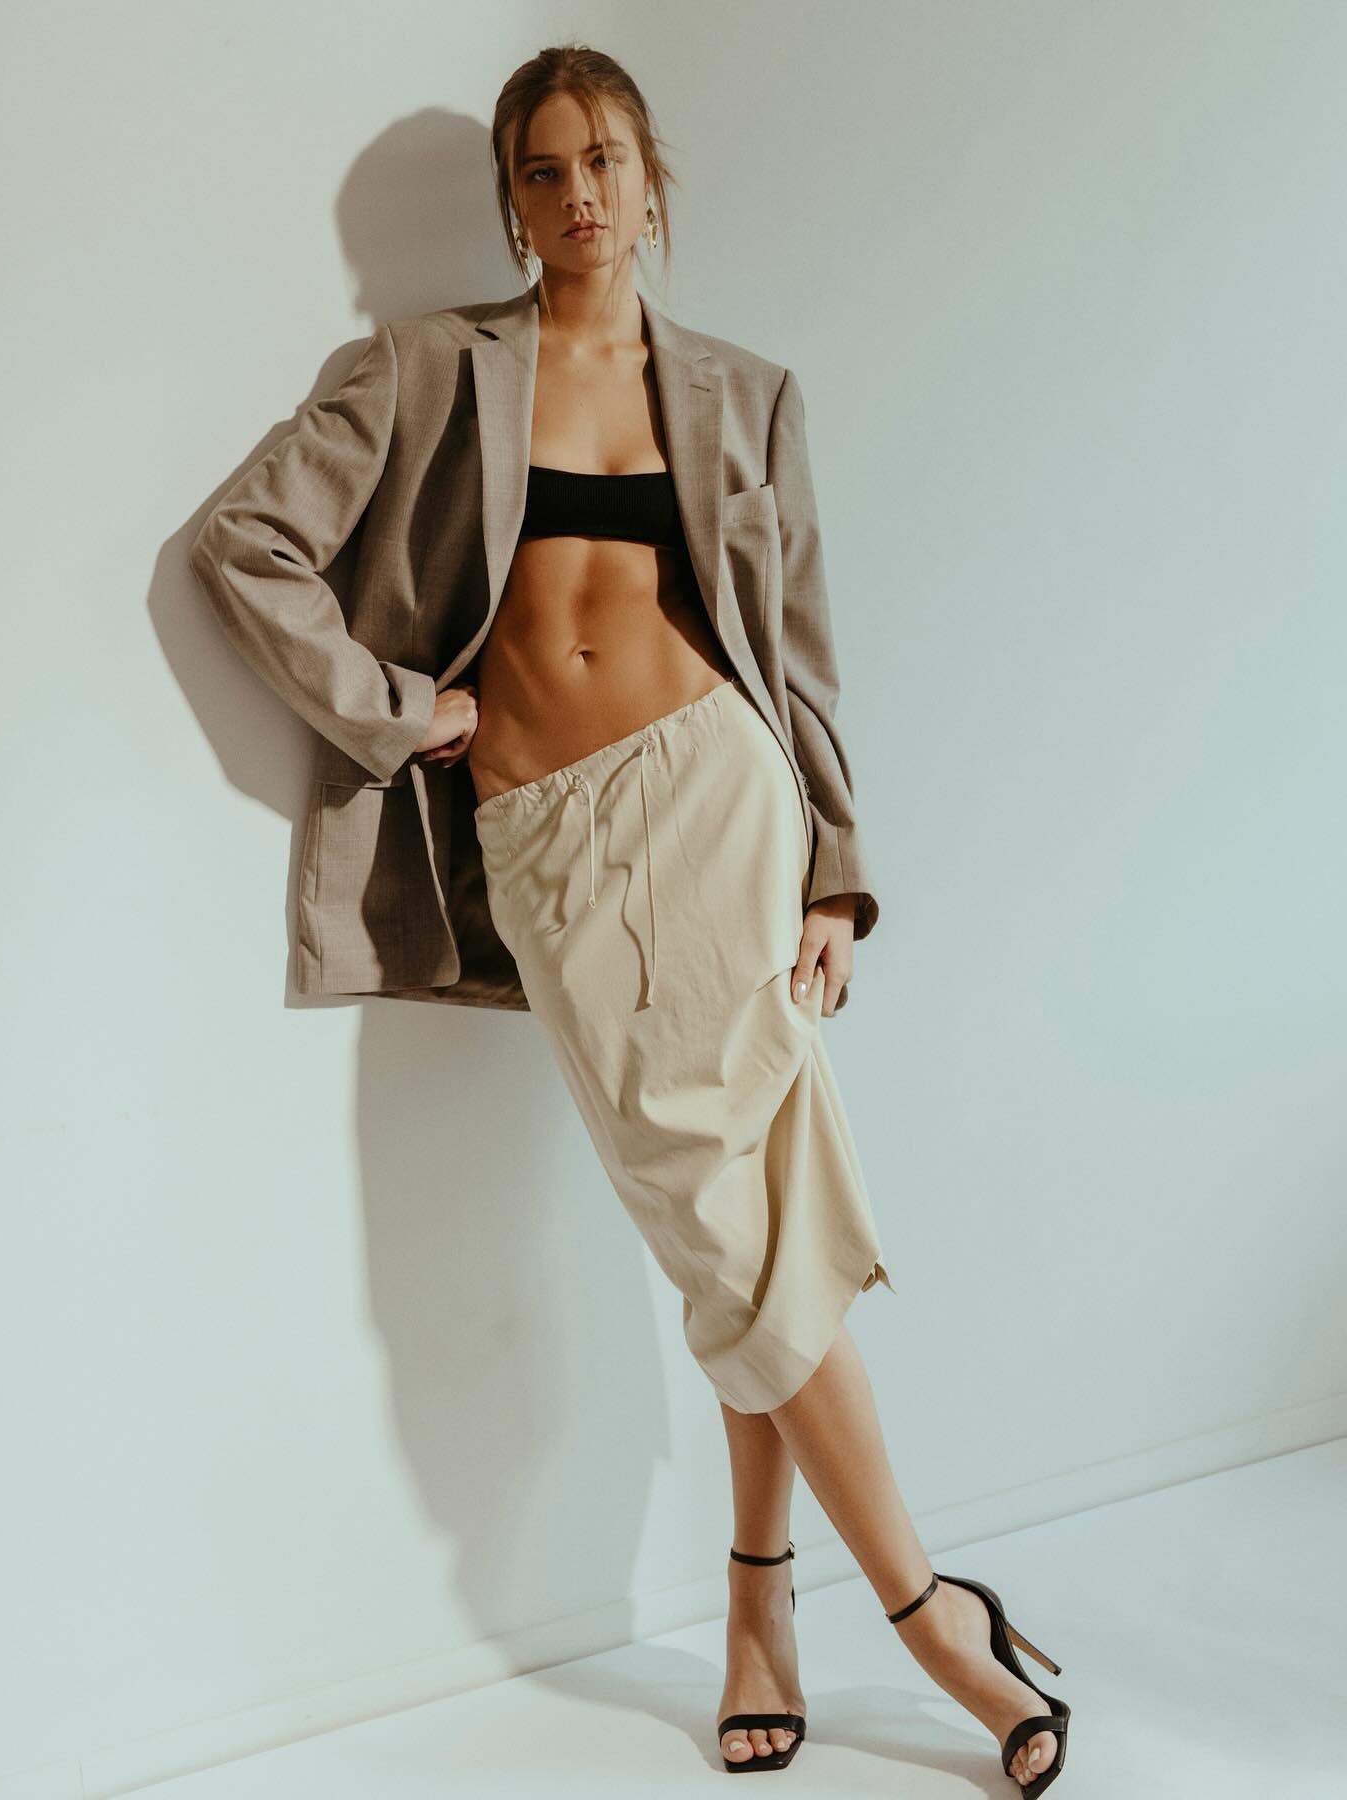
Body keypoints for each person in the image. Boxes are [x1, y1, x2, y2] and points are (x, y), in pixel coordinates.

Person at [189, 41, 1069, 1795]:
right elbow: (243, 548)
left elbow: (795, 654)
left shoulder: (746, 393)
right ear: (511, 201)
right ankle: (911, 1606)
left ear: (651, 179)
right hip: (547, 836)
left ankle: (808, 1613)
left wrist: (834, 868)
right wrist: (400, 709)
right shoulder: (425, 368)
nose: (578, 193)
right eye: (543, 168)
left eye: (603, 159)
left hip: (723, 799)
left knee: (742, 1225)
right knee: (719, 1220)